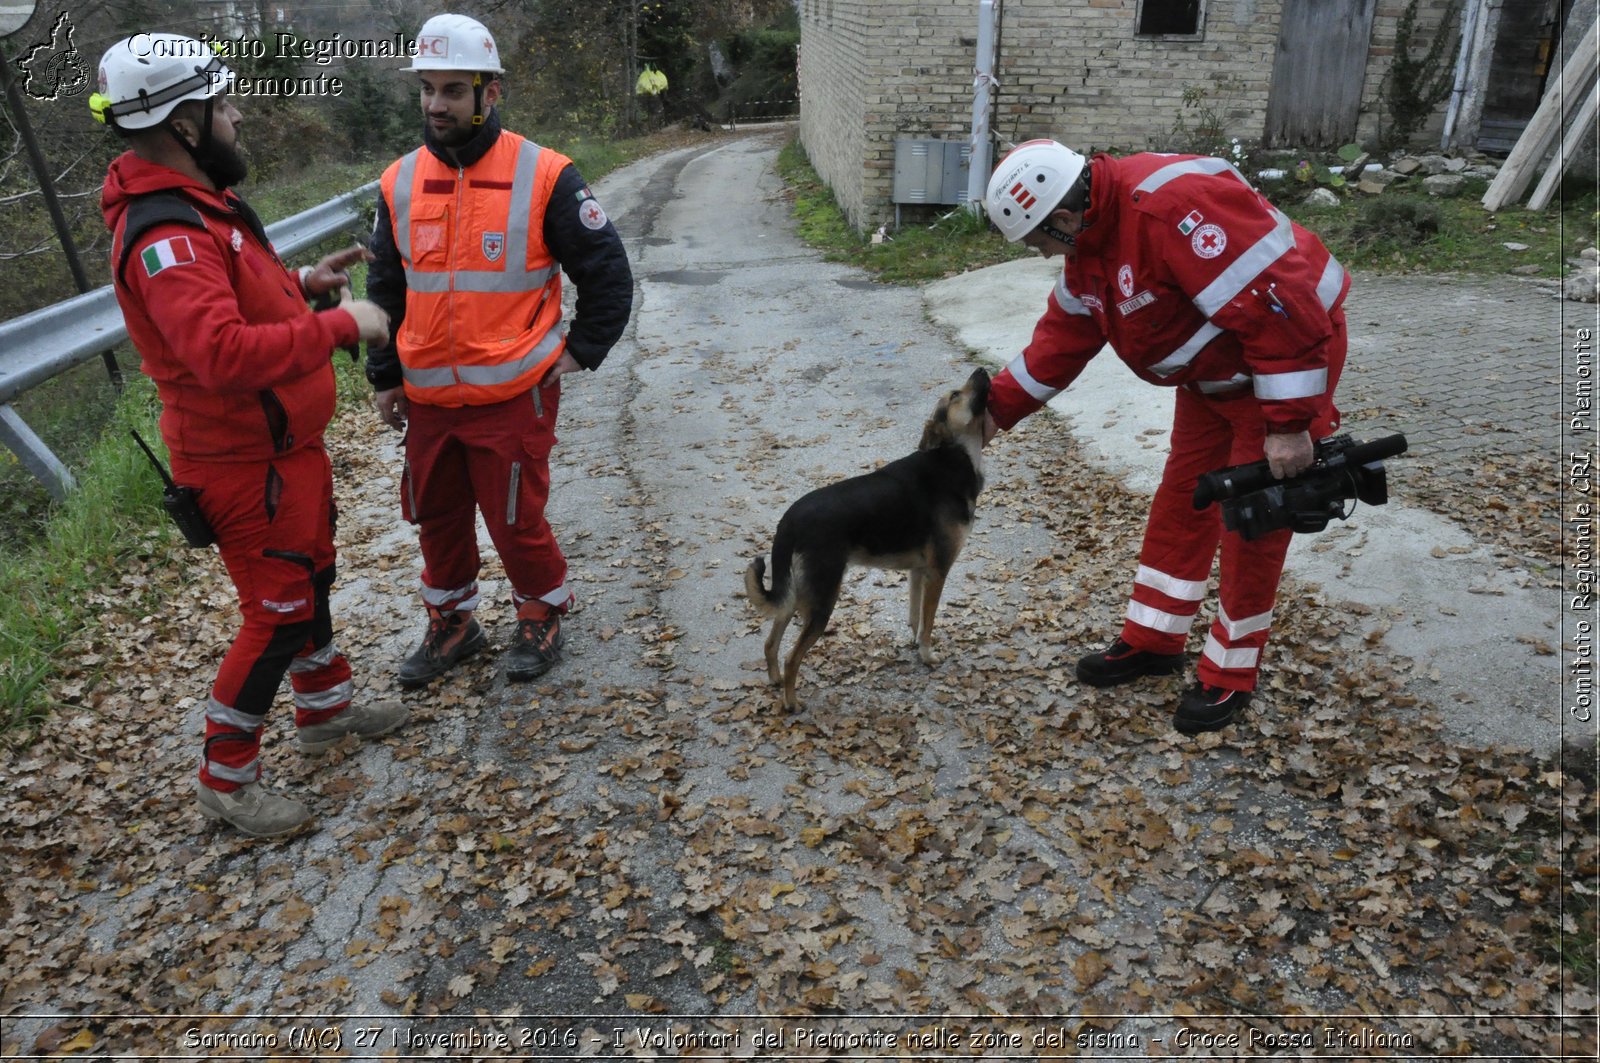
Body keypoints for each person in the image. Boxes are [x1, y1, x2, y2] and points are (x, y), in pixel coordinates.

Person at [96, 33, 406, 837]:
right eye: (224, 106)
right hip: (237, 466)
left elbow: (240, 291)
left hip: (283, 451)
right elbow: (219, 352)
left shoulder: (207, 203)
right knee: (274, 615)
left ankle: (325, 711)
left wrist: (302, 285)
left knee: (314, 580)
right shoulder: (164, 233)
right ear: (186, 124)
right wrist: (342, 324)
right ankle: (225, 781)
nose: (238, 118)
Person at [982, 139, 1349, 735]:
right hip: (1214, 377)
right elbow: (1063, 338)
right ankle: (1154, 640)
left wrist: (1287, 426)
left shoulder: (1172, 208)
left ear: (1067, 219)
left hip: (1278, 366)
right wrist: (993, 412)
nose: (1042, 253)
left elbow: (1280, 310)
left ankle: (1231, 672)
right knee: (1186, 496)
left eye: (1041, 241)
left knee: (1253, 516)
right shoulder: (1091, 246)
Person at [366, 13, 633, 688]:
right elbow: (384, 290)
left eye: (453, 89)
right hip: (428, 399)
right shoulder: (398, 181)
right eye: (427, 88)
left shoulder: (545, 175)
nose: (435, 104)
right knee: (436, 519)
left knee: (515, 520)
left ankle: (540, 611)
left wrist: (580, 351)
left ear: (491, 93)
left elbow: (607, 271)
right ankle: (453, 622)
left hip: (514, 396)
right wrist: (384, 376)